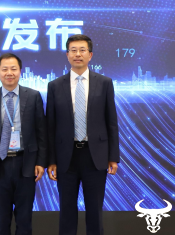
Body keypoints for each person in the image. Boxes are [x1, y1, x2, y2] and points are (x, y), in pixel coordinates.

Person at [46, 34, 120, 235]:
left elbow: (111, 122)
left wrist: (113, 157)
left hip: (95, 156)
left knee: (95, 210)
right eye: (73, 50)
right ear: (67, 55)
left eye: (82, 50)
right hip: (66, 157)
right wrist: (51, 160)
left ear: (90, 55)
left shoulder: (104, 83)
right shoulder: (54, 86)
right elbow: (50, 126)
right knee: (66, 210)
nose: (77, 54)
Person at [0, 53, 47, 235]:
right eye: (5, 69)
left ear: (20, 71)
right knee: (1, 219)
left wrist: (41, 162)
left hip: (26, 163)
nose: (9, 73)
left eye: (13, 69)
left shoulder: (33, 96)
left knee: (24, 219)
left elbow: (42, 131)